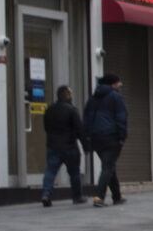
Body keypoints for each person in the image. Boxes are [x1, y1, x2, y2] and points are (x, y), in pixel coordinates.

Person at [83, 74, 129, 207]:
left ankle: (117, 196)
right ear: (113, 84)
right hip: (111, 136)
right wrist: (122, 136)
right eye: (118, 82)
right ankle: (99, 196)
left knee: (109, 165)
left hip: (95, 138)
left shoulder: (92, 98)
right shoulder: (116, 97)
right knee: (108, 167)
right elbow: (121, 117)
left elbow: (86, 118)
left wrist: (88, 136)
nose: (120, 85)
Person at [41, 84, 85, 207]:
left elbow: (46, 127)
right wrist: (86, 146)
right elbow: (80, 129)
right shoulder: (72, 110)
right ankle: (77, 196)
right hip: (69, 145)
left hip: (53, 145)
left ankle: (46, 194)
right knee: (74, 172)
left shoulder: (49, 109)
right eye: (70, 93)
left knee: (51, 171)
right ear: (67, 95)